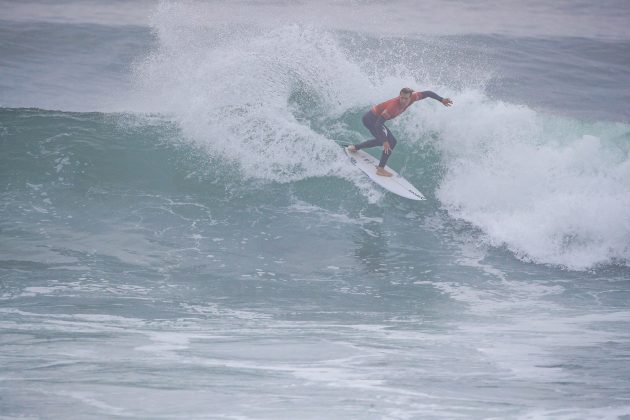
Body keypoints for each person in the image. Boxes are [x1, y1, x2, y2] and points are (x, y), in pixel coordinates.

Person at [347, 88, 453, 176]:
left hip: (374, 119)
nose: (403, 100)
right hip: (371, 119)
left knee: (385, 141)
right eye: (401, 97)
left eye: (405, 98)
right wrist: (385, 141)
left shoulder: (413, 97)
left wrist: (441, 99)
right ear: (399, 95)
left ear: (410, 97)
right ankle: (380, 169)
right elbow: (378, 124)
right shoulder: (393, 107)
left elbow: (427, 93)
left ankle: (355, 147)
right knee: (390, 142)